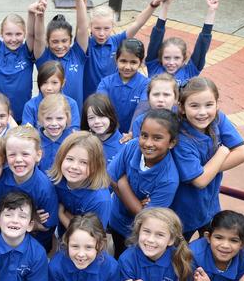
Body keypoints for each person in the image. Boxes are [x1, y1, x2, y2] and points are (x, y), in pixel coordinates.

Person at [170, 77, 244, 240]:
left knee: (210, 249)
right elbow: (199, 181)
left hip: (210, 206)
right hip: (182, 210)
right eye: (194, 106)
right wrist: (222, 153)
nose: (202, 112)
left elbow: (242, 153)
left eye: (209, 105)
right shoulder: (181, 138)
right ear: (182, 108)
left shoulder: (218, 119)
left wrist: (208, 170)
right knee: (176, 252)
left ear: (217, 104)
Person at [108, 109, 180, 258]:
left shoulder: (169, 179)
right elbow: (110, 176)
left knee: (135, 261)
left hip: (143, 235)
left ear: (171, 143)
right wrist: (136, 204)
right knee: (118, 253)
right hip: (116, 219)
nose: (148, 143)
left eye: (157, 138)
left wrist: (122, 184)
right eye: (144, 135)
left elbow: (148, 218)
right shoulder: (132, 146)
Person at [83, 0, 178, 98]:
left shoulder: (117, 41)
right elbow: (81, 27)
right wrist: (82, 0)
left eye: (106, 28)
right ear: (90, 26)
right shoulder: (85, 44)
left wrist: (155, 3)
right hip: (87, 99)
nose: (102, 33)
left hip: (112, 97)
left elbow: (138, 23)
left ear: (113, 26)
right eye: (97, 28)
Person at [0, 126, 58, 252]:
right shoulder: (0, 180)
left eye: (25, 154)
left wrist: (34, 223)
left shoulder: (45, 188)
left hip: (36, 241)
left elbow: (47, 226)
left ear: (38, 155)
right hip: (4, 236)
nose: (18, 160)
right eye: (12, 154)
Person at [34, 0, 89, 118]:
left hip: (74, 118)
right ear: (48, 42)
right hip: (48, 118)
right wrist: (40, 15)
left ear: (71, 40)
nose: (60, 46)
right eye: (54, 42)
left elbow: (82, 28)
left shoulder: (77, 55)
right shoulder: (44, 58)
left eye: (64, 41)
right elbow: (38, 37)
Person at [146, 0, 219, 86]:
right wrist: (165, 6)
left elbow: (202, 45)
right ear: (160, 57)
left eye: (177, 58)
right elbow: (156, 37)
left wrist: (211, 11)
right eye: (167, 58)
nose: (171, 62)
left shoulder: (189, 71)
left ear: (184, 59)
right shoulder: (154, 66)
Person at [48, 131, 111, 230]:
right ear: (60, 159)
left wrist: (61, 215)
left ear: (95, 166)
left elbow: (90, 237)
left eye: (84, 162)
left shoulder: (99, 200)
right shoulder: (55, 181)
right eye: (70, 159)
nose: (74, 167)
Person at [96, 38, 149, 133]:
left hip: (134, 135)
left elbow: (142, 109)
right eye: (123, 61)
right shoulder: (106, 83)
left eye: (133, 62)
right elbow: (101, 107)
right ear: (116, 60)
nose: (127, 67)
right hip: (108, 133)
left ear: (140, 63)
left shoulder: (146, 84)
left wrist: (132, 132)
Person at [22, 60, 80, 129]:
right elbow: (27, 133)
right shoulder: (30, 106)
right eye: (44, 82)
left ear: (63, 83)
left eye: (54, 82)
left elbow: (74, 131)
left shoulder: (71, 104)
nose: (49, 88)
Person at [80, 93, 124, 166]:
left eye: (101, 116)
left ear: (110, 116)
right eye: (91, 118)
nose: (97, 121)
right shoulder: (84, 143)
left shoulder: (124, 146)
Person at [130, 73, 179, 139]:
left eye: (166, 95)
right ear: (148, 97)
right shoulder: (139, 122)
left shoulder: (180, 122)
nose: (160, 99)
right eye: (156, 94)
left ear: (175, 98)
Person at [36, 94, 76, 173]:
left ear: (67, 118)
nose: (54, 123)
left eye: (59, 118)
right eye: (48, 118)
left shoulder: (73, 141)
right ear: (41, 118)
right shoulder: (35, 141)